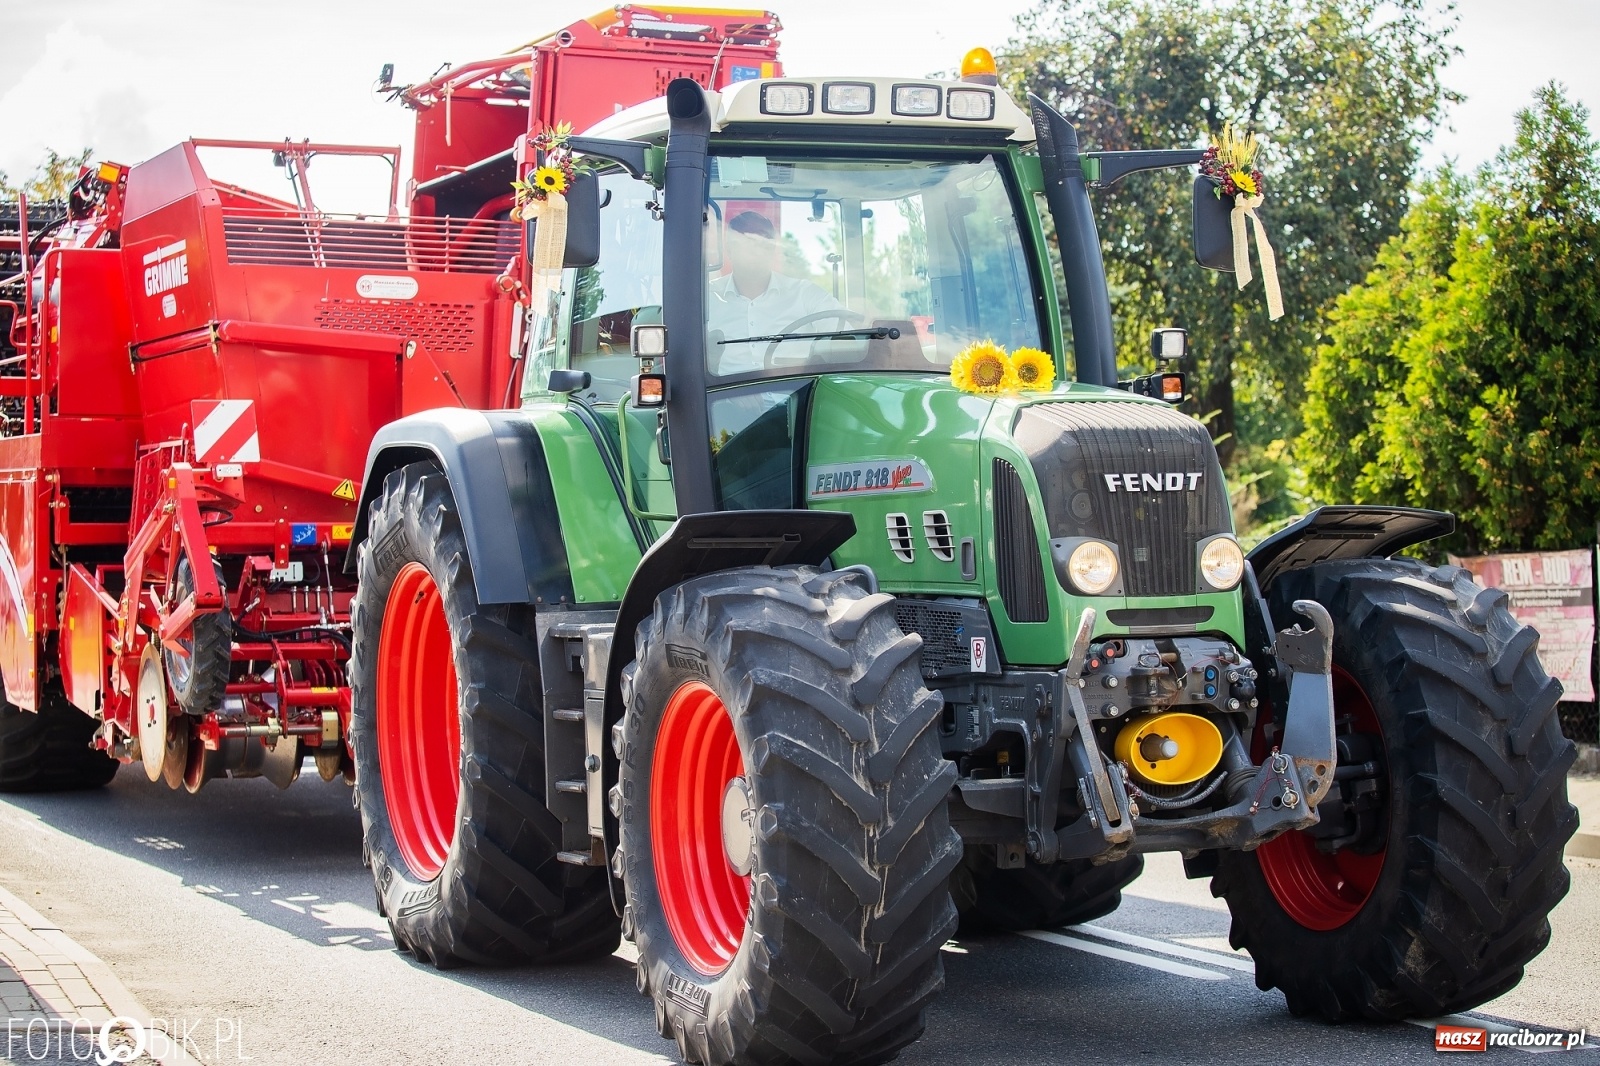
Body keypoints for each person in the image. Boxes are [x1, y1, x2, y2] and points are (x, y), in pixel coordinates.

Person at [707, 210, 849, 375]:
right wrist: (729, 390)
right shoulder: (706, 299)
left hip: (799, 396)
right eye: (747, 242)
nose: (756, 251)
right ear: (730, 249)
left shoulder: (805, 294)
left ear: (772, 249)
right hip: (724, 397)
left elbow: (849, 341)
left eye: (763, 243)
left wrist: (812, 362)